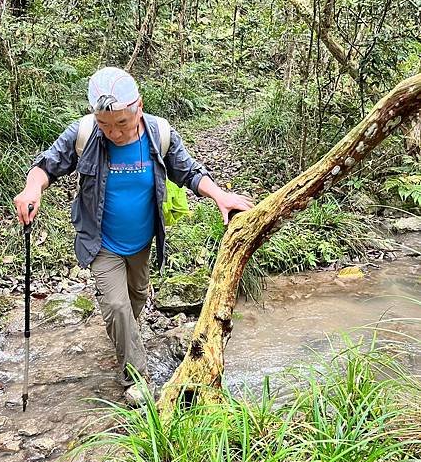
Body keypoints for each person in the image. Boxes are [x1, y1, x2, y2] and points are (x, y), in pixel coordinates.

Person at [14, 67, 253, 405]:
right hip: (101, 242)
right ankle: (137, 378)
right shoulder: (83, 134)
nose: (114, 132)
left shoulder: (160, 135)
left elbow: (189, 170)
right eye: (105, 125)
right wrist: (31, 189)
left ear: (139, 106)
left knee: (135, 300)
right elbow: (46, 166)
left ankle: (123, 336)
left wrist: (220, 196)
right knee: (116, 304)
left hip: (141, 241)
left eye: (122, 123)